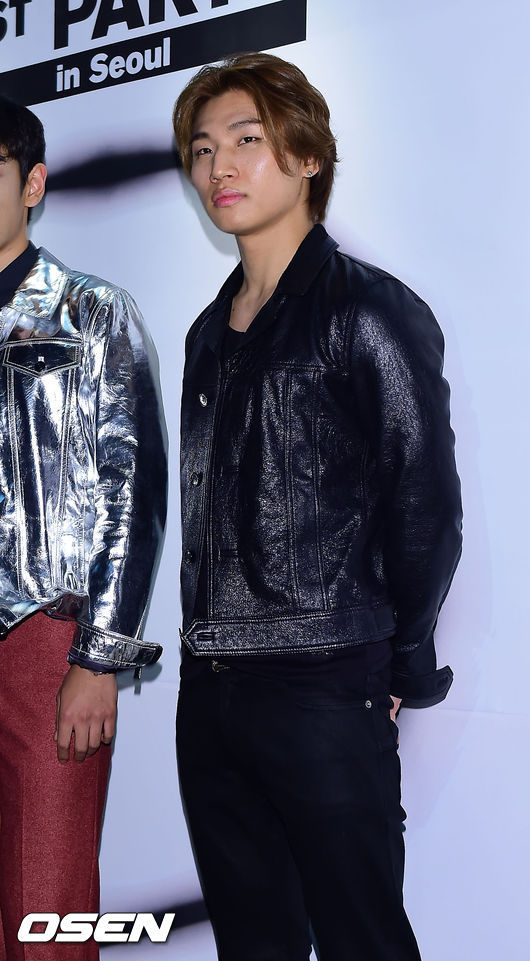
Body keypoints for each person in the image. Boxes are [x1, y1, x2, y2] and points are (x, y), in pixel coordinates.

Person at [173, 52, 462, 961]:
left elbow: (425, 508)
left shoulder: (369, 312)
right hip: (210, 690)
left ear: (307, 157)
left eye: (246, 140)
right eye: (202, 149)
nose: (219, 166)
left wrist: (401, 662)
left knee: (362, 940)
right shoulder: (205, 334)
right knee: (253, 945)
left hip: (325, 683)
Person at [0, 96, 167, 960]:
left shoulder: (92, 311)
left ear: (32, 184)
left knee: (48, 903)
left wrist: (99, 657)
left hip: (45, 639)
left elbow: (134, 489)